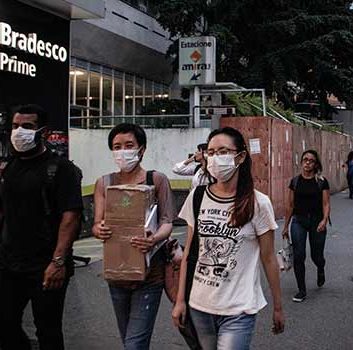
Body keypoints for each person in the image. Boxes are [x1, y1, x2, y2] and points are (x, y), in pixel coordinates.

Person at [173, 127, 284, 349]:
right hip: (199, 304)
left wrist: (278, 307)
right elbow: (189, 253)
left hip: (238, 308)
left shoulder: (258, 204)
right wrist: (180, 300)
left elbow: (269, 258)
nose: (215, 158)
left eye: (223, 151)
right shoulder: (197, 197)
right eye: (211, 152)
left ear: (240, 156)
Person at [0, 105, 83, 350]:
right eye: (15, 126)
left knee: (47, 330)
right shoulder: (10, 168)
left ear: (43, 132)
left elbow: (71, 217)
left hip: (46, 265)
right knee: (5, 324)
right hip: (9, 263)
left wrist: (58, 263)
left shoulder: (61, 169)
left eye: (27, 126)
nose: (19, 132)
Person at [92, 123, 174, 349]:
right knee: (129, 339)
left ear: (142, 149)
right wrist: (99, 229)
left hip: (150, 274)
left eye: (129, 145)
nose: (122, 151)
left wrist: (154, 239)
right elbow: (97, 223)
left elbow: (167, 221)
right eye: (117, 147)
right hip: (116, 275)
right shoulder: (104, 183)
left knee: (134, 344)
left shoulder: (156, 180)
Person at [282, 150, 331, 303]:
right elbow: (290, 205)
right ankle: (301, 290)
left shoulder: (321, 181)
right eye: (305, 159)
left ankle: (320, 267)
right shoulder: (295, 182)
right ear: (301, 162)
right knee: (299, 255)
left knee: (316, 256)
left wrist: (324, 219)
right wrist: (285, 226)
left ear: (316, 164)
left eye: (311, 160)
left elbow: (326, 203)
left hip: (317, 222)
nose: (307, 162)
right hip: (299, 221)